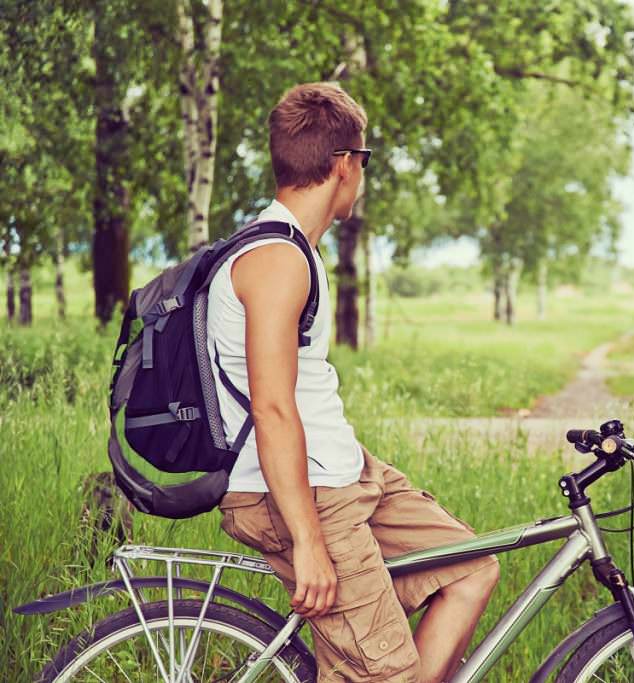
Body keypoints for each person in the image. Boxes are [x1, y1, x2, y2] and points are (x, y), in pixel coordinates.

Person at [210, 82, 499, 682]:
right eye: (363, 162)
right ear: (344, 164)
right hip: (301, 494)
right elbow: (272, 408)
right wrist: (308, 541)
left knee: (472, 571)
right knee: (385, 673)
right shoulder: (275, 261)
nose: (362, 177)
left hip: (342, 473)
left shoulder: (295, 249)